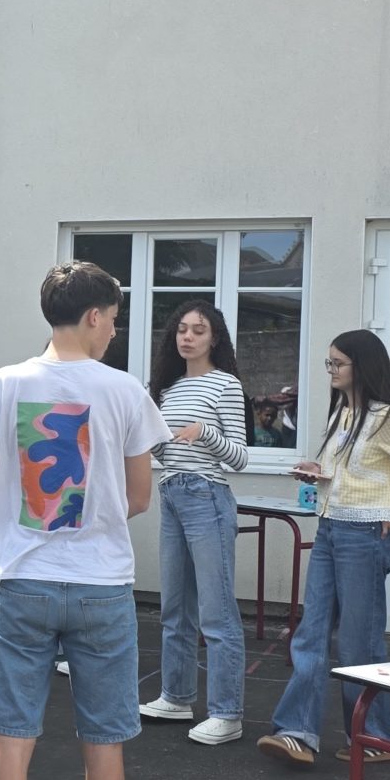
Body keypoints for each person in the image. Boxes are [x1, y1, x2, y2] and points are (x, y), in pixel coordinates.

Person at [0, 262, 167, 780]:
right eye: (113, 318)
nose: (114, 331)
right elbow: (139, 496)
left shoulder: (2, 385)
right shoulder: (125, 391)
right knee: (103, 745)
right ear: (93, 316)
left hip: (22, 578)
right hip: (102, 584)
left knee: (12, 742)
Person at [257, 331, 390, 770]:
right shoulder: (343, 413)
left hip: (364, 537)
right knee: (310, 633)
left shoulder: (389, 418)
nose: (331, 371)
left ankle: (377, 736)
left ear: (362, 366)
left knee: (357, 643)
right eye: (329, 363)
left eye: (338, 363)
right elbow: (355, 471)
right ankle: (297, 733)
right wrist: (318, 470)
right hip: (331, 529)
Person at [139, 301, 252, 745]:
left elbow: (240, 458)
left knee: (216, 612)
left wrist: (204, 432)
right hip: (172, 493)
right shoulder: (167, 389)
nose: (188, 337)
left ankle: (227, 713)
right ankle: (177, 696)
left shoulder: (225, 385)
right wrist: (152, 440)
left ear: (214, 338)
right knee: (175, 608)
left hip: (207, 497)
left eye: (198, 330)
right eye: (182, 329)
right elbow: (166, 452)